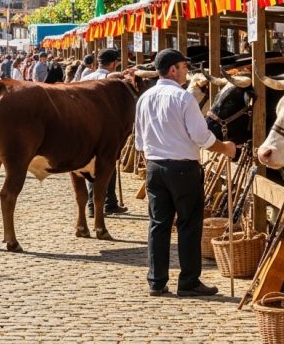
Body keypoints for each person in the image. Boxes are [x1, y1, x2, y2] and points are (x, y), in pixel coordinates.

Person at [135, 48, 237, 297]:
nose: (186, 71)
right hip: (182, 168)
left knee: (158, 224)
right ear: (172, 70)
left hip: (155, 167)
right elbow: (201, 137)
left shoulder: (145, 98)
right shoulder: (183, 98)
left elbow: (139, 141)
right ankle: (189, 281)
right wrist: (226, 148)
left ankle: (156, 281)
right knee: (188, 224)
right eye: (183, 67)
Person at [82, 49, 127, 217]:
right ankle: (99, 205)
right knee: (106, 165)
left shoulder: (85, 78)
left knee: (91, 167)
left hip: (85, 128)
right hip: (105, 130)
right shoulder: (112, 81)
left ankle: (108, 202)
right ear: (114, 63)